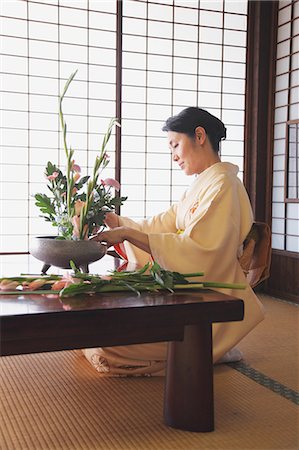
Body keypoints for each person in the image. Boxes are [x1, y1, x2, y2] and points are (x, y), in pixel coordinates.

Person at [83, 107, 265, 376]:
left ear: (200, 136)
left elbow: (201, 253)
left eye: (175, 145)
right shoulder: (201, 185)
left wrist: (128, 234)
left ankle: (217, 346)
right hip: (185, 296)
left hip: (207, 304)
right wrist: (115, 222)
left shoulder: (224, 186)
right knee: (94, 333)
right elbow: (160, 225)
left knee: (107, 347)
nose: (174, 157)